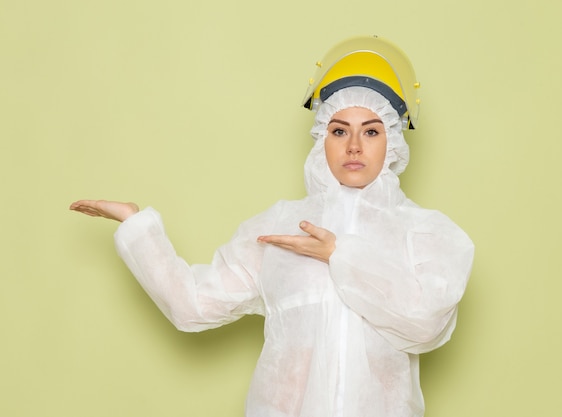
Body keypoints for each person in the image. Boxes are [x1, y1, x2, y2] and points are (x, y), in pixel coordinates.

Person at [70, 36, 474, 417]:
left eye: (371, 131)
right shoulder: (279, 227)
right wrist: (137, 225)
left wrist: (339, 253)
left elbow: (426, 325)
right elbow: (191, 306)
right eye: (339, 130)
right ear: (322, 139)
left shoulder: (427, 234)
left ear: (393, 141)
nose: (354, 146)